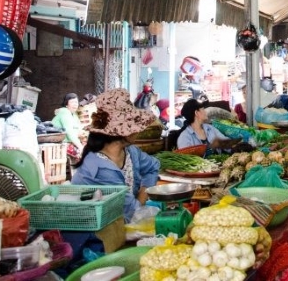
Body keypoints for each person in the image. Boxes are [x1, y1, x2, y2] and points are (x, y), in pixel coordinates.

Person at [71, 88, 161, 222]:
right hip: (95, 231)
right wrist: (141, 202)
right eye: (133, 124)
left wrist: (142, 194)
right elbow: (132, 211)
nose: (138, 129)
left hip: (122, 223)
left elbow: (153, 166)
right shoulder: (100, 168)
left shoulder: (131, 152)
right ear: (122, 131)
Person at [176, 99, 241, 152]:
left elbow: (225, 141)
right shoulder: (184, 138)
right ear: (196, 113)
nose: (205, 111)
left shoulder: (210, 128)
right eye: (203, 109)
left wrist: (235, 145)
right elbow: (188, 161)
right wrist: (211, 146)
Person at [51, 92, 85, 163]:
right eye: (72, 102)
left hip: (69, 142)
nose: (75, 104)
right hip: (59, 143)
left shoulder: (74, 115)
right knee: (84, 154)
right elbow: (69, 132)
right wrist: (80, 146)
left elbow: (79, 129)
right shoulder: (65, 112)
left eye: (76, 102)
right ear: (66, 104)